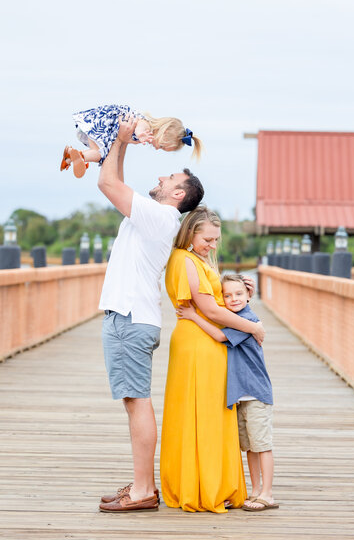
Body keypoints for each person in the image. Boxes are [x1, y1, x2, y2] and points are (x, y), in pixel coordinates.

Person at [96, 116, 204, 513]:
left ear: (178, 195)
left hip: (129, 319)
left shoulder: (159, 217)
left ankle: (143, 490)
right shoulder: (152, 214)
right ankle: (142, 484)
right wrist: (120, 144)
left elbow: (107, 184)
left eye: (169, 177)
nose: (160, 177)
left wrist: (120, 138)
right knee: (135, 399)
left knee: (137, 401)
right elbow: (117, 180)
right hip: (130, 317)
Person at [160, 207, 266, 513]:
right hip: (197, 345)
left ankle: (213, 482)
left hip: (207, 344)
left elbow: (221, 304)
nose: (213, 245)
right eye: (208, 238)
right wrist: (254, 327)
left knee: (211, 417)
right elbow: (213, 311)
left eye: (216, 239)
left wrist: (245, 296)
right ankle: (202, 486)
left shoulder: (198, 260)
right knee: (201, 416)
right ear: (191, 232)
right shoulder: (184, 260)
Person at [177, 273, 278, 512]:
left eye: (239, 294)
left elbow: (221, 336)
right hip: (239, 395)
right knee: (250, 447)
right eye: (227, 295)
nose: (233, 299)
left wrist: (192, 315)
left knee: (262, 445)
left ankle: (268, 493)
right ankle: (254, 491)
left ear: (248, 295)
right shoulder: (234, 316)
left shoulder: (247, 319)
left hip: (255, 393)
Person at [60, 105, 202, 178]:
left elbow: (124, 140)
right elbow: (139, 129)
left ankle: (71, 157)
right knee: (100, 154)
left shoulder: (146, 130)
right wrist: (140, 136)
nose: (158, 148)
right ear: (163, 133)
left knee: (101, 155)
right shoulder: (145, 126)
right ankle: (80, 156)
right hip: (102, 125)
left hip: (97, 128)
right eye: (163, 146)